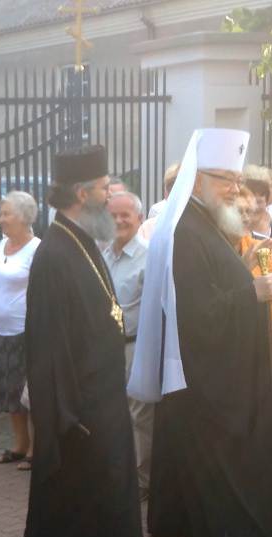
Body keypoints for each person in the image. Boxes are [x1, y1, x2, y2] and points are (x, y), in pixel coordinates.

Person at [130, 128, 272, 537]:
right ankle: (225, 531)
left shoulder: (200, 220)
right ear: (198, 179)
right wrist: (250, 292)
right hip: (208, 372)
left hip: (207, 367)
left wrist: (242, 268)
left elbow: (208, 284)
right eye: (227, 179)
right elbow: (196, 311)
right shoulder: (187, 229)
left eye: (237, 180)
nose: (236, 189)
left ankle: (180, 518)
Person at [21, 145, 160, 537]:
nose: (110, 195)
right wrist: (65, 410)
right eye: (104, 188)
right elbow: (48, 343)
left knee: (80, 485)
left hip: (99, 387)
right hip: (84, 399)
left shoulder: (80, 239)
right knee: (109, 480)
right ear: (82, 194)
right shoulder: (55, 253)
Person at [104, 190, 153, 501]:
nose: (119, 221)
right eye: (113, 216)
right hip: (106, 349)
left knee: (139, 416)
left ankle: (141, 480)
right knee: (113, 413)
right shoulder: (102, 256)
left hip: (137, 346)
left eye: (125, 215)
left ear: (139, 218)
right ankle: (118, 473)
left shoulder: (150, 256)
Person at [0, 191, 40, 471]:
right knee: (9, 389)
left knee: (29, 392)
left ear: (22, 217)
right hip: (1, 330)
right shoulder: (0, 246)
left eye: (6, 213)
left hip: (25, 332)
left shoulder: (37, 249)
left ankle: (35, 447)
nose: (1, 219)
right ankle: (20, 443)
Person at [235, 187, 272, 374]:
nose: (245, 218)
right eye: (238, 212)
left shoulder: (263, 251)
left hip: (264, 346)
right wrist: (242, 270)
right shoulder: (213, 252)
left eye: (248, 212)